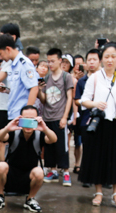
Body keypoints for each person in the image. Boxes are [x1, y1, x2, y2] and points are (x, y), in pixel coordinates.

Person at [78, 43, 116, 207]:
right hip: (99, 123)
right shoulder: (94, 77)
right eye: (106, 56)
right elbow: (83, 100)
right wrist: (95, 104)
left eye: (113, 57)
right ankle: (99, 192)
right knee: (97, 158)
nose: (110, 60)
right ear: (102, 59)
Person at [0, 107, 55, 213]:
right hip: (10, 177)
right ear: (20, 119)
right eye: (25, 119)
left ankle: (30, 199)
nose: (28, 123)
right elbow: (0, 137)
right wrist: (8, 127)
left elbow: (53, 139)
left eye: (32, 119)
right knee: (1, 165)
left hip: (28, 178)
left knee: (39, 171)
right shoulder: (15, 132)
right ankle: (0, 196)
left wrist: (44, 128)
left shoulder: (39, 134)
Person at [0, 33, 38, 123]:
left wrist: (27, 115)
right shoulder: (12, 65)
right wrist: (7, 90)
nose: (0, 57)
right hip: (13, 113)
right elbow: (20, 90)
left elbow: (34, 88)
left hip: (22, 115)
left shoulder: (24, 63)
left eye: (0, 54)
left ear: (8, 49)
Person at [38, 48, 74, 187]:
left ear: (60, 60)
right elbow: (44, 99)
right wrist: (40, 89)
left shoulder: (66, 77)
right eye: (48, 61)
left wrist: (65, 117)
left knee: (62, 146)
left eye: (52, 61)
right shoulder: (47, 78)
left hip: (60, 116)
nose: (50, 64)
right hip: (47, 117)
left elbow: (70, 97)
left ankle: (65, 172)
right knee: (49, 146)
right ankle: (52, 170)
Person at [74, 48, 100, 187]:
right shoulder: (82, 81)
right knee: (88, 148)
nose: (91, 62)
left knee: (101, 149)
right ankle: (87, 177)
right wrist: (88, 102)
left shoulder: (105, 79)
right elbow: (76, 99)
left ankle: (101, 177)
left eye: (94, 59)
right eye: (89, 59)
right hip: (86, 118)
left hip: (102, 118)